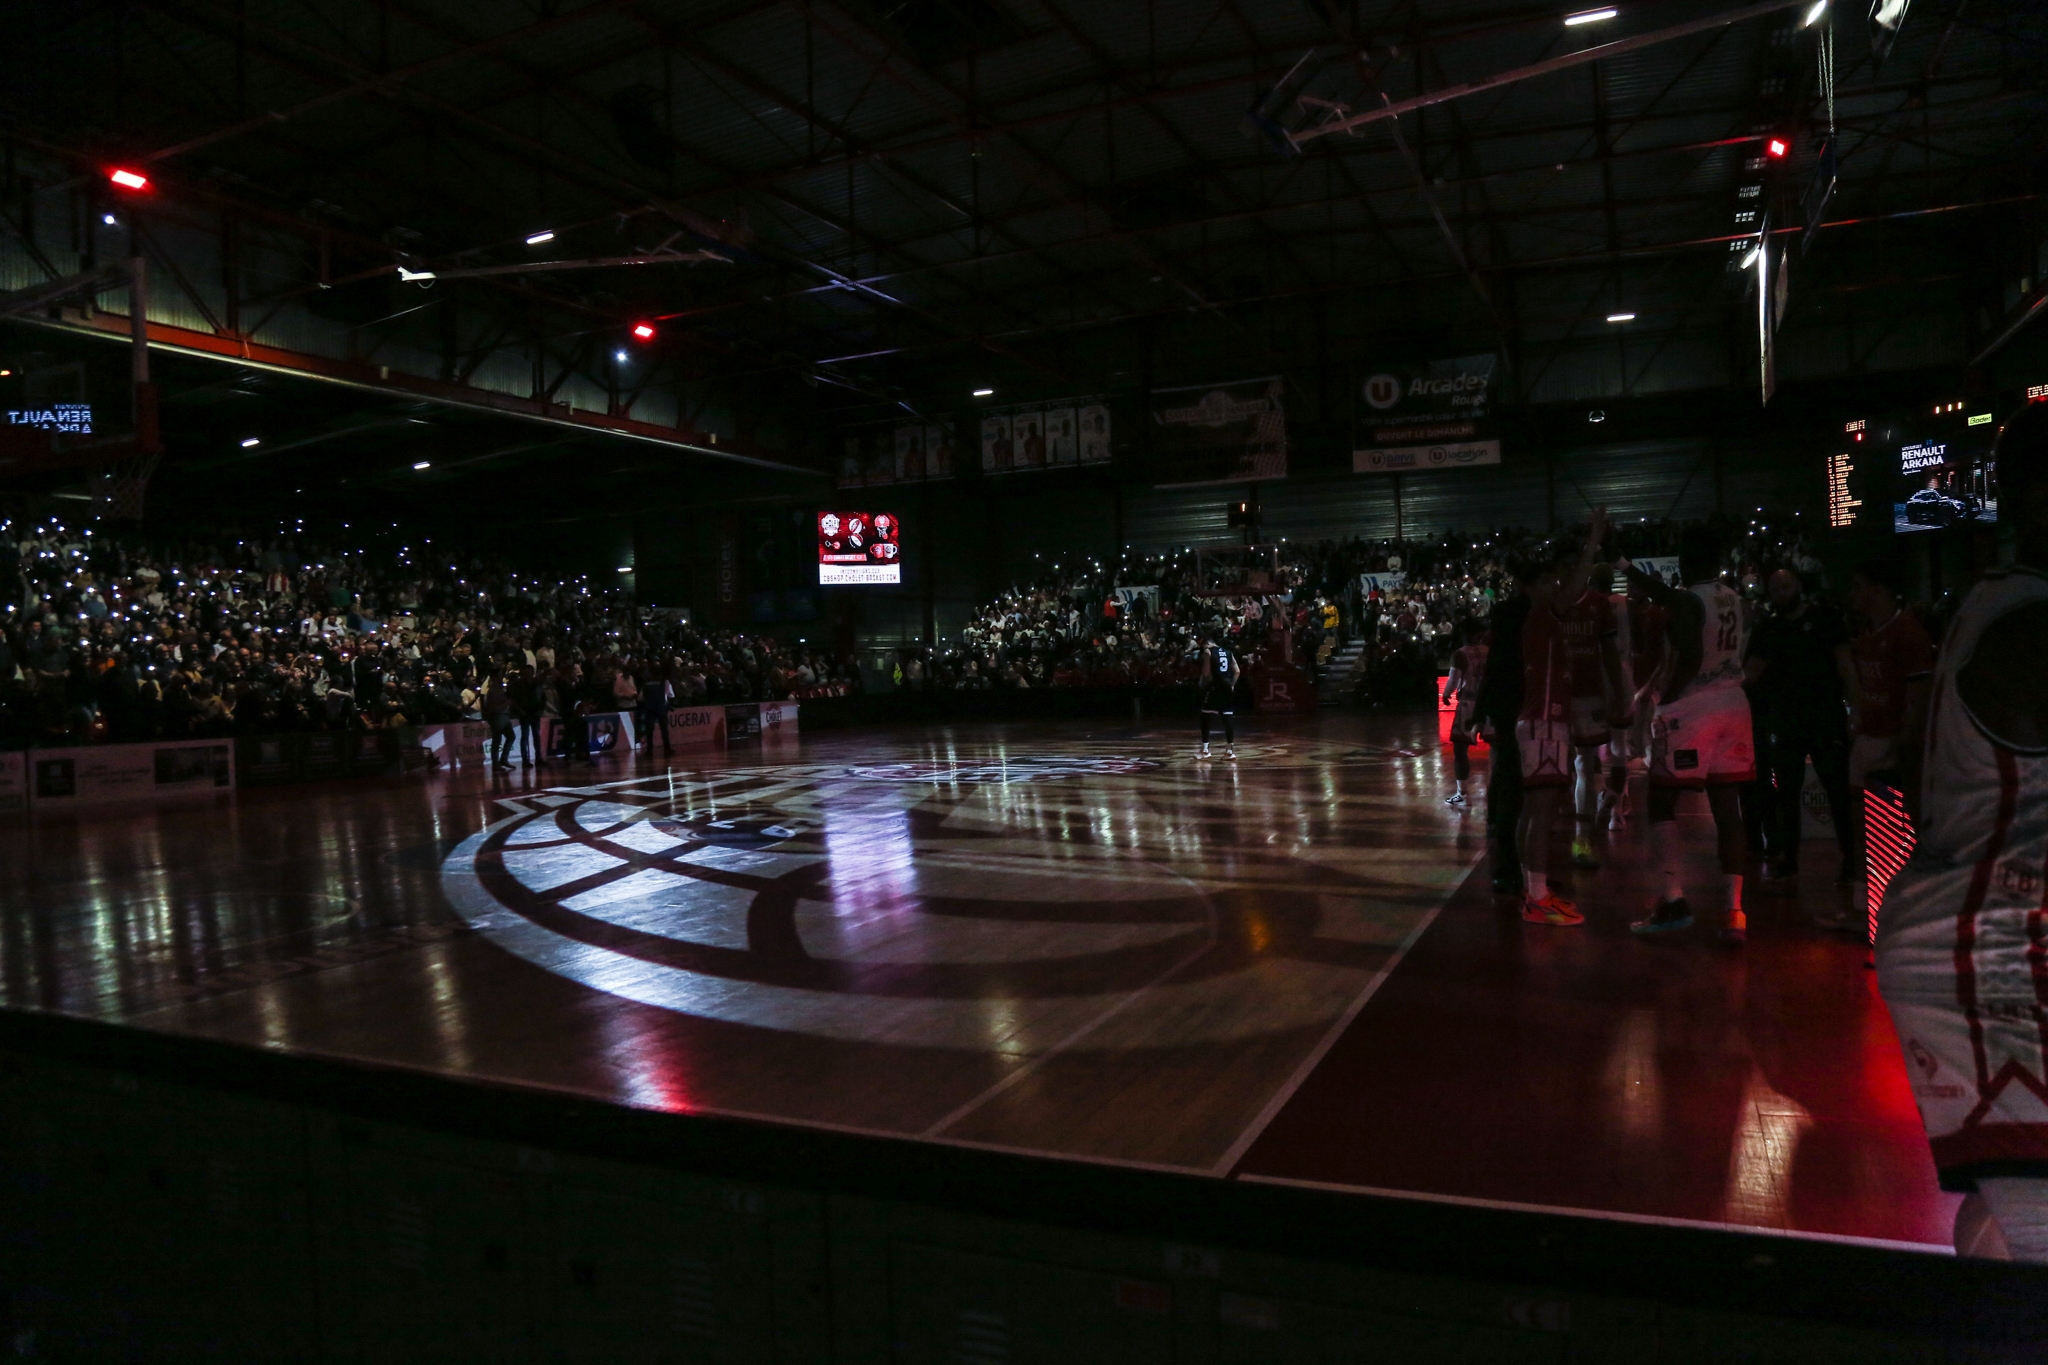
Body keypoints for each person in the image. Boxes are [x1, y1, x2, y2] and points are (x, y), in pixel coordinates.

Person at [1877, 400, 2048, 1262]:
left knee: (2011, 1206)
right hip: (2000, 947)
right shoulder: (2028, 628)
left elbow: (1907, 768)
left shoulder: (1998, 606)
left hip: (1983, 922)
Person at [1624, 525, 1754, 945]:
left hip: (1695, 707)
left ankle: (1673, 900)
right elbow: (1668, 596)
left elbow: (1690, 654)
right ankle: (1734, 911)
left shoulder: (1687, 603)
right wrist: (1626, 566)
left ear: (1686, 561)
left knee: (1661, 800)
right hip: (1734, 702)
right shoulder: (1733, 597)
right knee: (1728, 808)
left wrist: (1669, 697)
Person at [1513, 509, 1608, 927]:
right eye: (1549, 580)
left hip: (1537, 720)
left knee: (1534, 811)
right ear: (1533, 587)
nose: (1557, 585)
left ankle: (1533, 889)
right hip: (1543, 721)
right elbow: (1575, 588)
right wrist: (1593, 542)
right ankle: (1537, 899)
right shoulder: (1540, 615)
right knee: (1544, 810)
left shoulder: (1536, 618)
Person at [1743, 568, 1858, 904]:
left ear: (1798, 587)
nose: (1780, 592)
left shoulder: (1826, 618)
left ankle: (1850, 859)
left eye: (1786, 586)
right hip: (1786, 720)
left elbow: (1844, 664)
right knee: (1787, 792)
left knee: (1837, 790)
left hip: (1825, 718)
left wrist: (1857, 708)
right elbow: (1752, 671)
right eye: (1775, 587)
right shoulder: (1769, 626)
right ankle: (1788, 859)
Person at [1558, 562, 1627, 869]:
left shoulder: (1599, 605)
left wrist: (1619, 691)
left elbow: (1611, 650)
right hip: (1556, 695)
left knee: (1584, 763)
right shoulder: (1550, 604)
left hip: (1587, 695)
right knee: (1569, 766)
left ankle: (1581, 840)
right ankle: (1603, 816)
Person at [1440, 618, 1487, 809]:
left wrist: (1445, 694)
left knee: (1460, 750)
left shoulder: (1459, 654)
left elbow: (1453, 680)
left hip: (1468, 704)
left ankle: (1463, 794)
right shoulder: (1489, 651)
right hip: (1489, 703)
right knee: (1498, 748)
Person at [1196, 635, 1239, 759]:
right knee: (1227, 717)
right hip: (1227, 687)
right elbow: (1237, 671)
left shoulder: (1208, 652)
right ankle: (1230, 751)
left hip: (1215, 687)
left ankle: (1205, 750)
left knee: (1205, 716)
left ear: (1206, 643)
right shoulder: (1228, 652)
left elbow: (1206, 673)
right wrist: (1232, 685)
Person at [480, 666, 515, 770]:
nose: (502, 677)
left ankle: (502, 760)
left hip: (503, 716)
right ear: (495, 677)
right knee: (497, 740)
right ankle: (496, 763)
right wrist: (506, 703)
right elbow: (494, 708)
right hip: (498, 717)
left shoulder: (499, 689)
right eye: (500, 675)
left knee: (509, 737)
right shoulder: (493, 691)